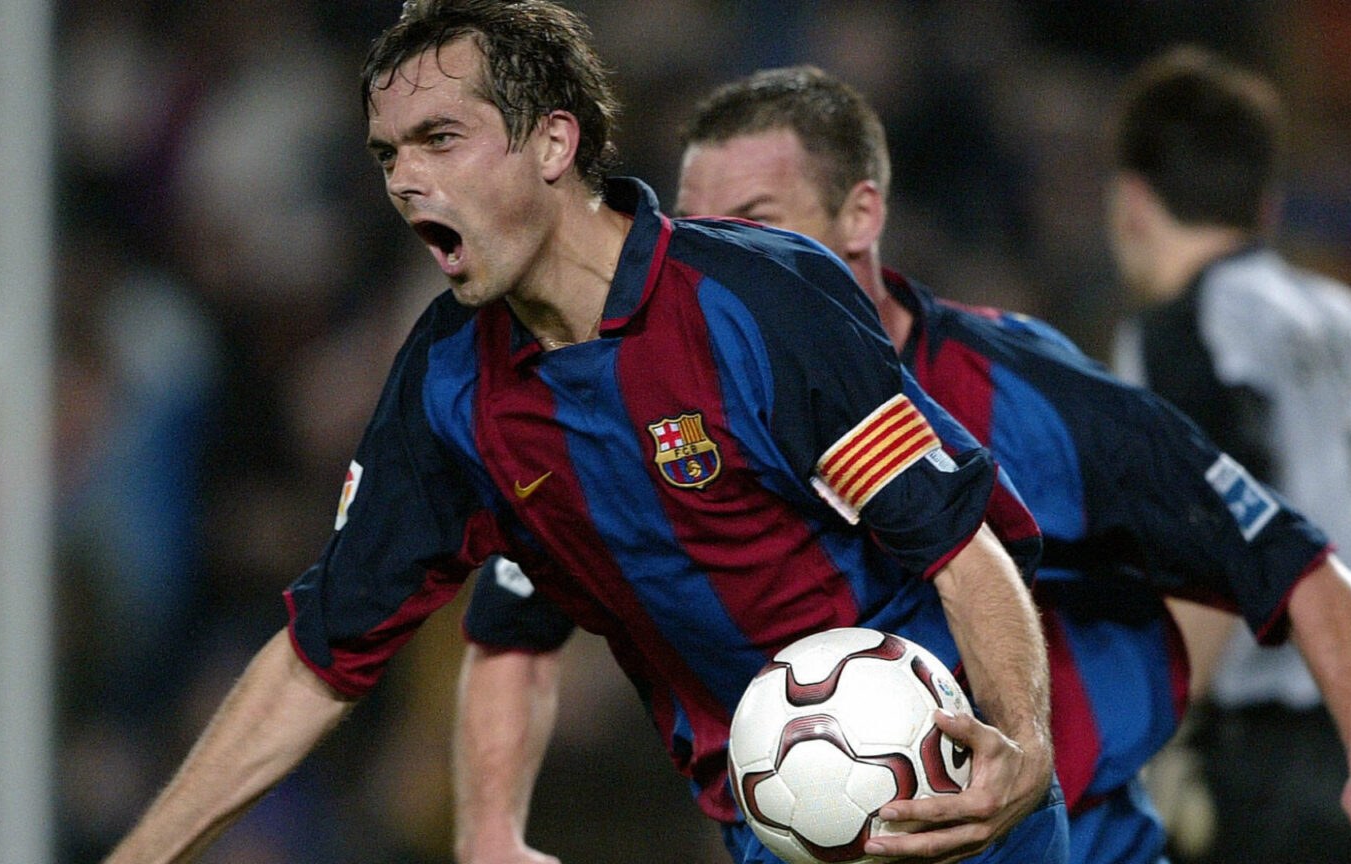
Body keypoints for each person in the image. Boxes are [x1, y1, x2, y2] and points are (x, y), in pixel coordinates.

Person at [103, 3, 1071, 863]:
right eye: (388, 154)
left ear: (553, 142)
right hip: (775, 825)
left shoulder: (750, 300)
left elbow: (956, 543)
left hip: (953, 785)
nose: (405, 181)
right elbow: (320, 657)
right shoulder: (448, 387)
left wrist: (1022, 743)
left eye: (440, 138)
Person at [454, 65, 1351, 864]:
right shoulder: (631, 408)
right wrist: (489, 832)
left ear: (861, 216)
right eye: (694, 227)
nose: (713, 254)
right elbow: (512, 627)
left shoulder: (1028, 397)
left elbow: (1290, 559)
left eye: (753, 220)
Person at [1106, 46, 1351, 864]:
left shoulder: (1183, 333)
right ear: (1268, 207)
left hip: (1251, 775)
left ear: (1132, 203)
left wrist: (1157, 739)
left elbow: (1215, 527)